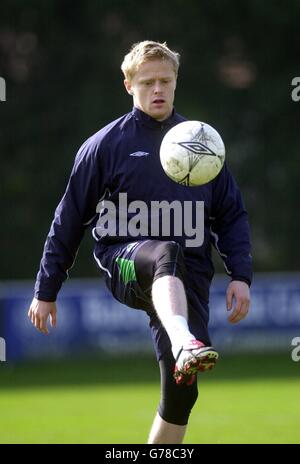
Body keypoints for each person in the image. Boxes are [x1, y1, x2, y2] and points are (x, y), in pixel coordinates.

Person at [28, 41, 252, 444]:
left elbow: (230, 213)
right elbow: (69, 219)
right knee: (163, 250)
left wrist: (241, 274)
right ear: (128, 85)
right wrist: (46, 289)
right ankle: (185, 339)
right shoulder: (105, 146)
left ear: (176, 81)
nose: (158, 89)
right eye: (147, 82)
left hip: (190, 274)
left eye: (165, 80)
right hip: (126, 263)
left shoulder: (201, 142)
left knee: (183, 393)